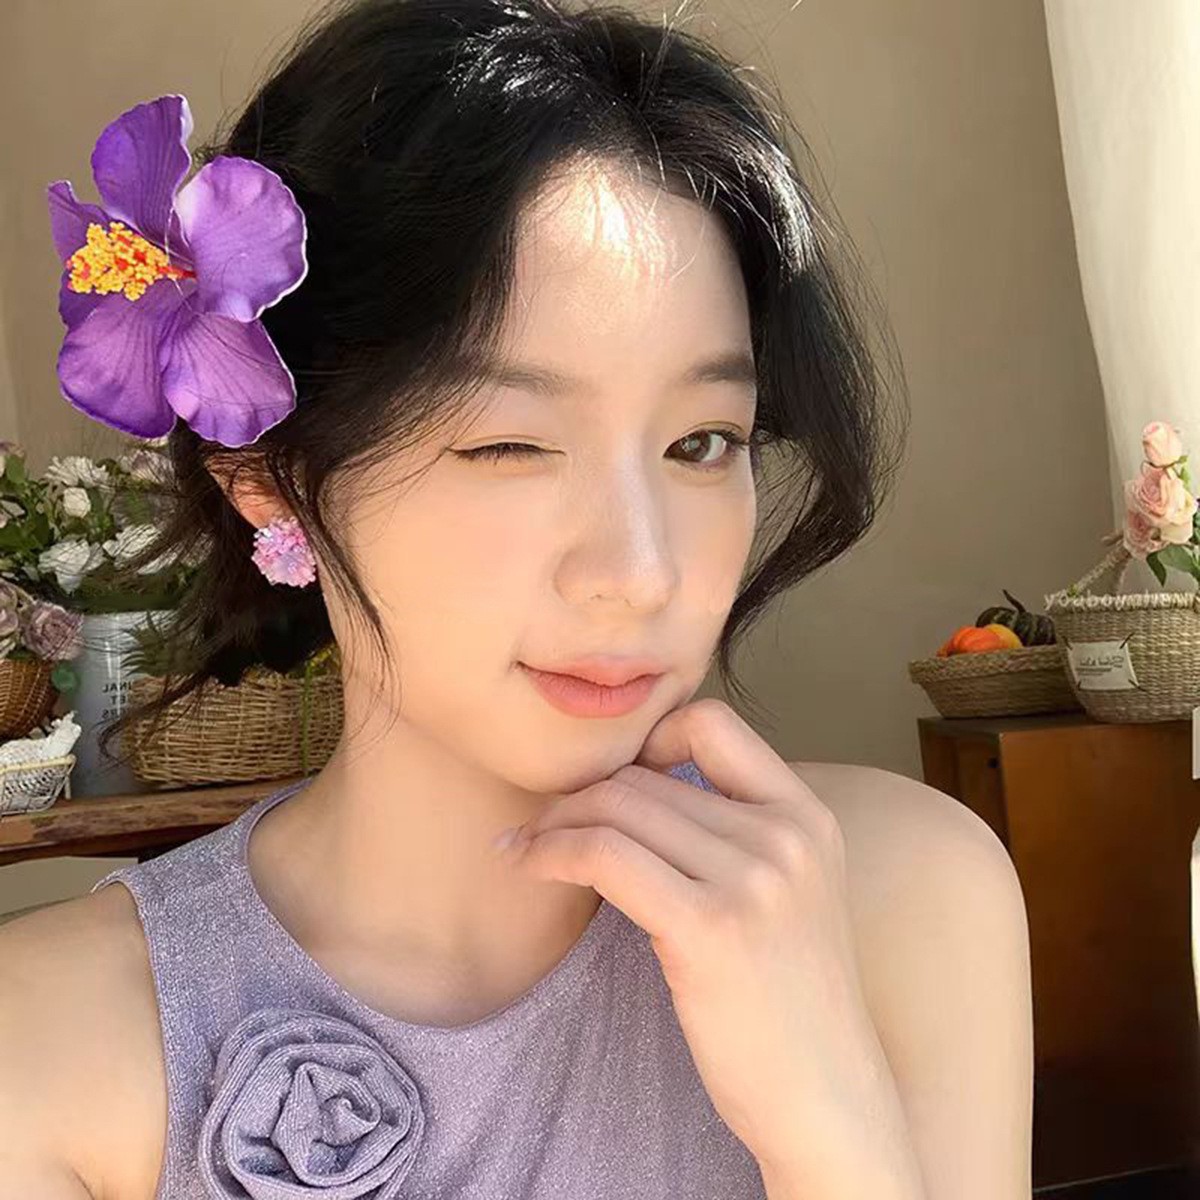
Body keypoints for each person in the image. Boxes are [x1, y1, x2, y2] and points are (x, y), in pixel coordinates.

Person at [0, 0, 1034, 1196]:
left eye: (703, 442)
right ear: (271, 480)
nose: (640, 572)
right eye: (510, 445)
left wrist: (825, 1116)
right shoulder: (55, 1052)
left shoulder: (906, 896)